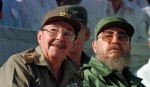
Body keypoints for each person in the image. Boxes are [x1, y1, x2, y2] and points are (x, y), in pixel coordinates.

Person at [0, 5, 83, 87]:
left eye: (67, 34)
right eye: (53, 30)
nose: (60, 38)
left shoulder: (74, 73)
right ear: (39, 36)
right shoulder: (21, 66)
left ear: (73, 44)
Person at [82, 16, 145, 86]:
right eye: (108, 36)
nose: (115, 41)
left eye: (122, 37)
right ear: (95, 46)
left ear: (130, 47)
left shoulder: (137, 83)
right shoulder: (82, 78)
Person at [79, 0, 148, 44]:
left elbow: (143, 42)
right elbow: (87, 42)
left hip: (131, 63)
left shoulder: (137, 10)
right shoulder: (87, 5)